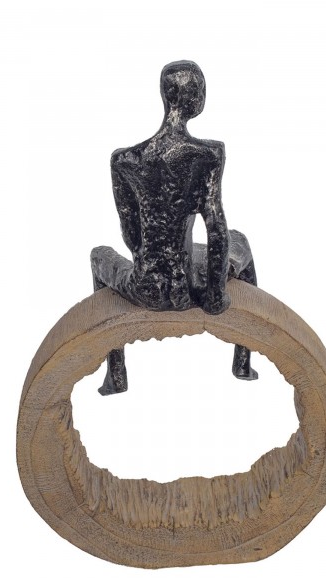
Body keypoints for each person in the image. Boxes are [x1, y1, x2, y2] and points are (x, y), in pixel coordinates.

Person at [91, 60, 258, 395]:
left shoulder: (125, 160)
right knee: (240, 241)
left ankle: (116, 374)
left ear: (164, 97)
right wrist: (214, 295)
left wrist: (153, 261)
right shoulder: (208, 154)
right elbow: (216, 229)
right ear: (197, 99)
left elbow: (131, 237)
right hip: (188, 288)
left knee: (99, 256)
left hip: (145, 287)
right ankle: (242, 361)